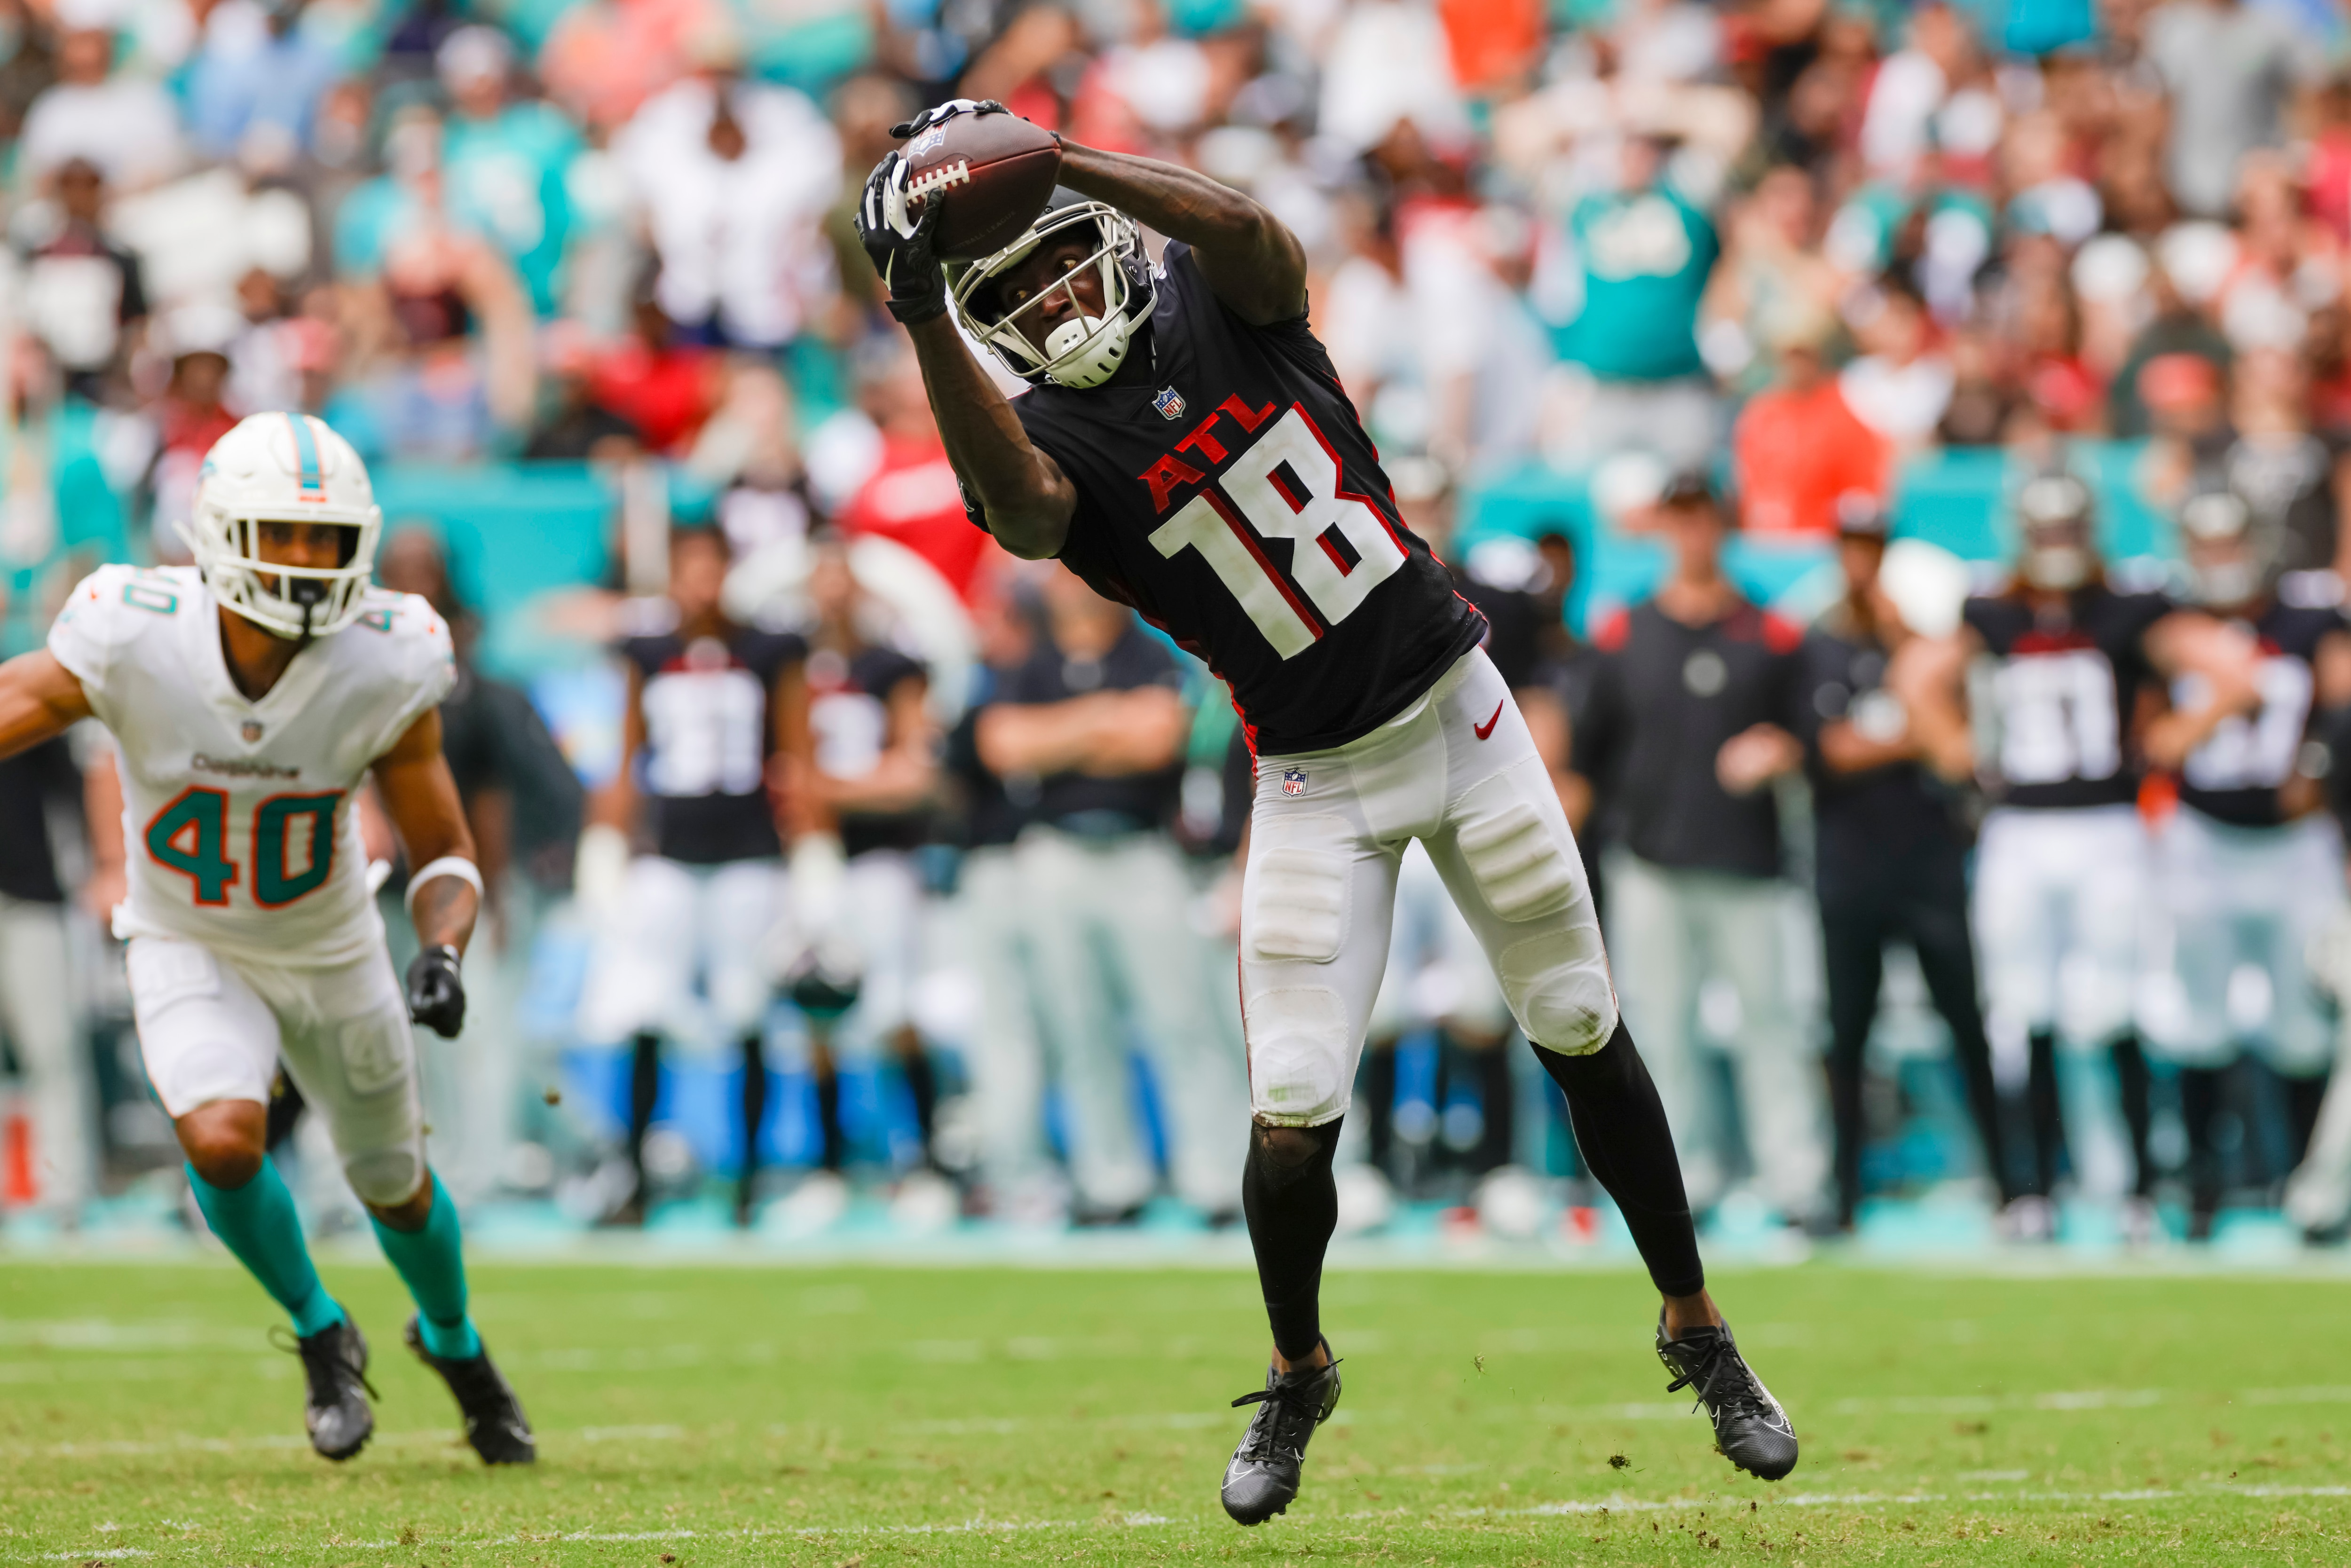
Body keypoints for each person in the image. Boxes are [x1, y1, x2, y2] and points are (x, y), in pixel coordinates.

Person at [856, 97, 1799, 1525]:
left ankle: (1697, 1327)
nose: (1054, 298)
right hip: (1314, 777)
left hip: (1462, 717)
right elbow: (1026, 513)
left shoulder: (1219, 293)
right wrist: (924, 314)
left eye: (1059, 257)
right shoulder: (1041, 440)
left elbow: (1243, 228)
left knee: (1579, 1028)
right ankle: (1298, 1366)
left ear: (1101, 236)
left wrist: (1057, 159)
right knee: (1292, 1116)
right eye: (1014, 293)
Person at [0, 412, 531, 1464]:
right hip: (184, 933)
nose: (303, 560)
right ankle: (320, 1323)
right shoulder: (131, 625)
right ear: (217, 533)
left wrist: (441, 948)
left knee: (394, 1180)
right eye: (280, 533)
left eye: (323, 538)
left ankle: (456, 1342)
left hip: (330, 943)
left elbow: (443, 849)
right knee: (220, 1134)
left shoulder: (389, 653)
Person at [1907, 473, 2225, 1235]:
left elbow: (2229, 671)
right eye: (2043, 531)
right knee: (2026, 1010)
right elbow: (1917, 679)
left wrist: (2179, 734)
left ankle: (2139, 1191)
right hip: (2021, 826)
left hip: (2107, 823)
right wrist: (1953, 746)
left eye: (2066, 529)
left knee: (2116, 1005)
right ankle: (2034, 1190)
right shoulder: (1994, 608)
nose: (2055, 546)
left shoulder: (2129, 606)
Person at [1573, 474, 1828, 1223]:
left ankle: (1796, 1180)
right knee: (1661, 1032)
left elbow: (1810, 734)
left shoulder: (1770, 632)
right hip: (1651, 861)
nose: (1692, 535)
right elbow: (1588, 754)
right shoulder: (1625, 633)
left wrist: (1780, 747)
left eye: (1703, 519)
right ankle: (1681, 1183)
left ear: (1724, 525)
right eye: (1679, 519)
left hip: (1748, 864)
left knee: (1772, 1026)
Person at [978, 564, 1248, 1222]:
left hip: (1142, 849)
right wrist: (1104, 722)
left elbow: (1160, 738)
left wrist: (1059, 736)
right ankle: (1110, 1180)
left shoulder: (1147, 652)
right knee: (1078, 1023)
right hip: (1054, 852)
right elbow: (1003, 745)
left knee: (1181, 1018)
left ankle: (1213, 1176)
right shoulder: (1031, 661)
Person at [1794, 501, 2015, 1230]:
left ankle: (2012, 1185)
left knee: (1966, 1022)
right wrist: (1913, 728)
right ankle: (1845, 1191)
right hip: (1852, 865)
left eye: (1873, 546)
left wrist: (1905, 710)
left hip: (1927, 860)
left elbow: (1963, 750)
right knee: (1849, 1031)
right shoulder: (1821, 647)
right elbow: (1834, 751)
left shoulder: (1924, 647)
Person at [576, 527, 803, 1227]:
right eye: (689, 566)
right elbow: (627, 754)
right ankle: (637, 1174)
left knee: (747, 1009)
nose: (702, 581)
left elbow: (796, 751)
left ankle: (750, 1178)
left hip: (747, 851)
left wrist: (809, 846)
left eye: (712, 566)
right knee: (646, 1007)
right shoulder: (647, 651)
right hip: (670, 850)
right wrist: (609, 840)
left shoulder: (769, 648)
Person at [2143, 491, 2350, 1235]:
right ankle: (2203, 1183)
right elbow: (2153, 728)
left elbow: (2340, 704)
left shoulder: (2310, 619)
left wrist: (2319, 766)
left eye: (2232, 542)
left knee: (2303, 1021)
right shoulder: (2171, 621)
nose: (2221, 560)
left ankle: (2304, 1183)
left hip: (2296, 845)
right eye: (2208, 544)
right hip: (2205, 837)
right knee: (2200, 1015)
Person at [0, 736, 97, 1226]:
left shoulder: (18, 681)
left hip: (30, 897)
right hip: (29, 898)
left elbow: (76, 790)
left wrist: (103, 869)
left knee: (53, 1049)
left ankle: (65, 1195)